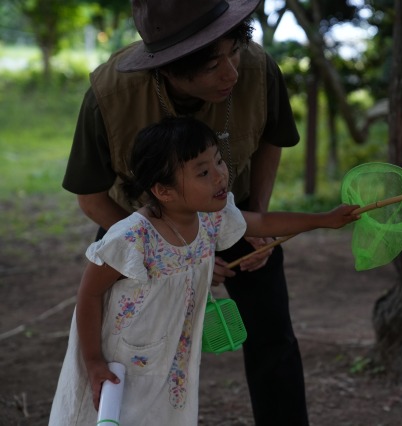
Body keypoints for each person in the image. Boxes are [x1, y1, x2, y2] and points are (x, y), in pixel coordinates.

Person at [61, 0, 315, 423]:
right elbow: (90, 197)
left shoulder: (258, 69)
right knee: (130, 349)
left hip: (235, 215)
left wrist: (259, 214)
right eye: (213, 64)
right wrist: (174, 249)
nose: (231, 72)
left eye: (234, 50)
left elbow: (273, 137)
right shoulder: (110, 95)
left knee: (273, 339)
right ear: (169, 66)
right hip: (138, 234)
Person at [50, 116, 359, 425]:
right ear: (164, 190)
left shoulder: (210, 218)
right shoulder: (131, 238)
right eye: (203, 172)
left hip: (172, 358)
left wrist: (323, 219)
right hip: (116, 361)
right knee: (110, 416)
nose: (220, 175)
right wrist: (92, 361)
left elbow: (263, 223)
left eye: (220, 161)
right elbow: (89, 293)